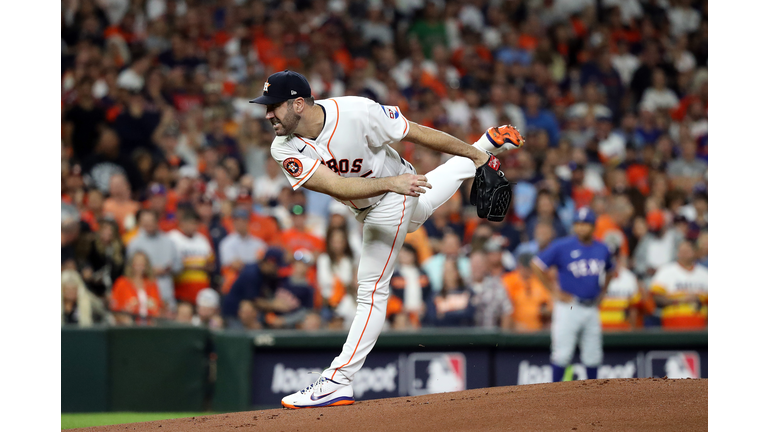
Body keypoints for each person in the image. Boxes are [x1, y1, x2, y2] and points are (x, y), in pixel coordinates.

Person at [250, 70, 523, 408]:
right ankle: (485, 144)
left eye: (273, 106)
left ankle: (338, 380)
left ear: (299, 104)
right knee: (419, 209)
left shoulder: (358, 112)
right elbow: (336, 186)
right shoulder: (283, 147)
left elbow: (418, 133)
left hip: (392, 196)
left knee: (371, 292)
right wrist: (476, 155)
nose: (267, 114)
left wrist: (476, 162)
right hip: (384, 194)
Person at [531, 208, 615, 382]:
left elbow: (610, 270)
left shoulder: (602, 248)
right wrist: (553, 291)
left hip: (591, 307)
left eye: (585, 224)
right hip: (569, 306)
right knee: (562, 354)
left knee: (593, 355)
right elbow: (536, 264)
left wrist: (603, 292)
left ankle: (594, 397)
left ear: (593, 226)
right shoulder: (563, 246)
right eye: (578, 223)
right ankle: (554, 395)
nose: (581, 228)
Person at [126, 209, 181, 311]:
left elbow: (178, 267)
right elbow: (129, 271)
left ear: (157, 221)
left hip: (165, 292)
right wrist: (148, 270)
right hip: (142, 295)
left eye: (151, 220)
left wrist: (168, 269)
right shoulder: (134, 244)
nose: (148, 224)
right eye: (145, 221)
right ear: (140, 223)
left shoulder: (169, 242)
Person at [649, 240, 708, 330]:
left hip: (700, 323)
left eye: (687, 251)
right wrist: (680, 300)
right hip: (673, 323)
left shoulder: (704, 274)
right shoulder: (665, 271)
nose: (684, 254)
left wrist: (698, 299)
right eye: (682, 251)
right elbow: (656, 297)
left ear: (695, 252)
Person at [168, 210, 215, 304]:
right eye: (191, 223)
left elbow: (211, 265)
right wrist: (198, 266)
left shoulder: (202, 239)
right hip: (180, 289)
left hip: (202, 290)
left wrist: (188, 264)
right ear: (182, 223)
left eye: (195, 224)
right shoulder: (172, 238)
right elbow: (172, 265)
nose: (194, 227)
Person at [222, 247, 284, 319]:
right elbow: (254, 301)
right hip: (233, 314)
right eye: (276, 266)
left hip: (247, 313)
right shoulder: (251, 274)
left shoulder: (266, 273)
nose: (277, 269)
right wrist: (273, 305)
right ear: (269, 262)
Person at [218, 208, 268, 294]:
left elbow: (265, 265)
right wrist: (256, 266)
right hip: (232, 285)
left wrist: (251, 266)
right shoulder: (226, 243)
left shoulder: (259, 243)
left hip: (255, 284)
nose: (239, 223)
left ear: (247, 222)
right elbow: (235, 265)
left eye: (242, 220)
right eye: (236, 221)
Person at [110, 251, 164, 325]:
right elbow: (114, 309)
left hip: (150, 325)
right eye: (137, 263)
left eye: (142, 263)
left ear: (146, 265)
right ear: (131, 264)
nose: (139, 266)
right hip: (129, 326)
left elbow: (158, 307)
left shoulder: (152, 283)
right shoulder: (121, 283)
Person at [388, 243, 434, 329]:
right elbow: (391, 294)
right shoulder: (394, 275)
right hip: (401, 313)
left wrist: (426, 304)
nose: (404, 255)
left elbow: (429, 292)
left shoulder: (422, 273)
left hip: (421, 312)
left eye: (407, 253)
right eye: (402, 253)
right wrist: (399, 307)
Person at [502, 253, 552, 332]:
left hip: (538, 329)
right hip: (514, 329)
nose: (528, 270)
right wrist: (513, 325)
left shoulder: (538, 280)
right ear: (519, 266)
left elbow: (548, 305)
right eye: (525, 267)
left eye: (530, 268)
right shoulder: (509, 280)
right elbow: (505, 308)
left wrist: (544, 311)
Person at [469, 250, 513, 329]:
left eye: (480, 264)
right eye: (474, 264)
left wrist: (503, 339)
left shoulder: (497, 285)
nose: (477, 267)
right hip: (466, 336)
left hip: (489, 335)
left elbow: (507, 310)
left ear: (485, 266)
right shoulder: (463, 286)